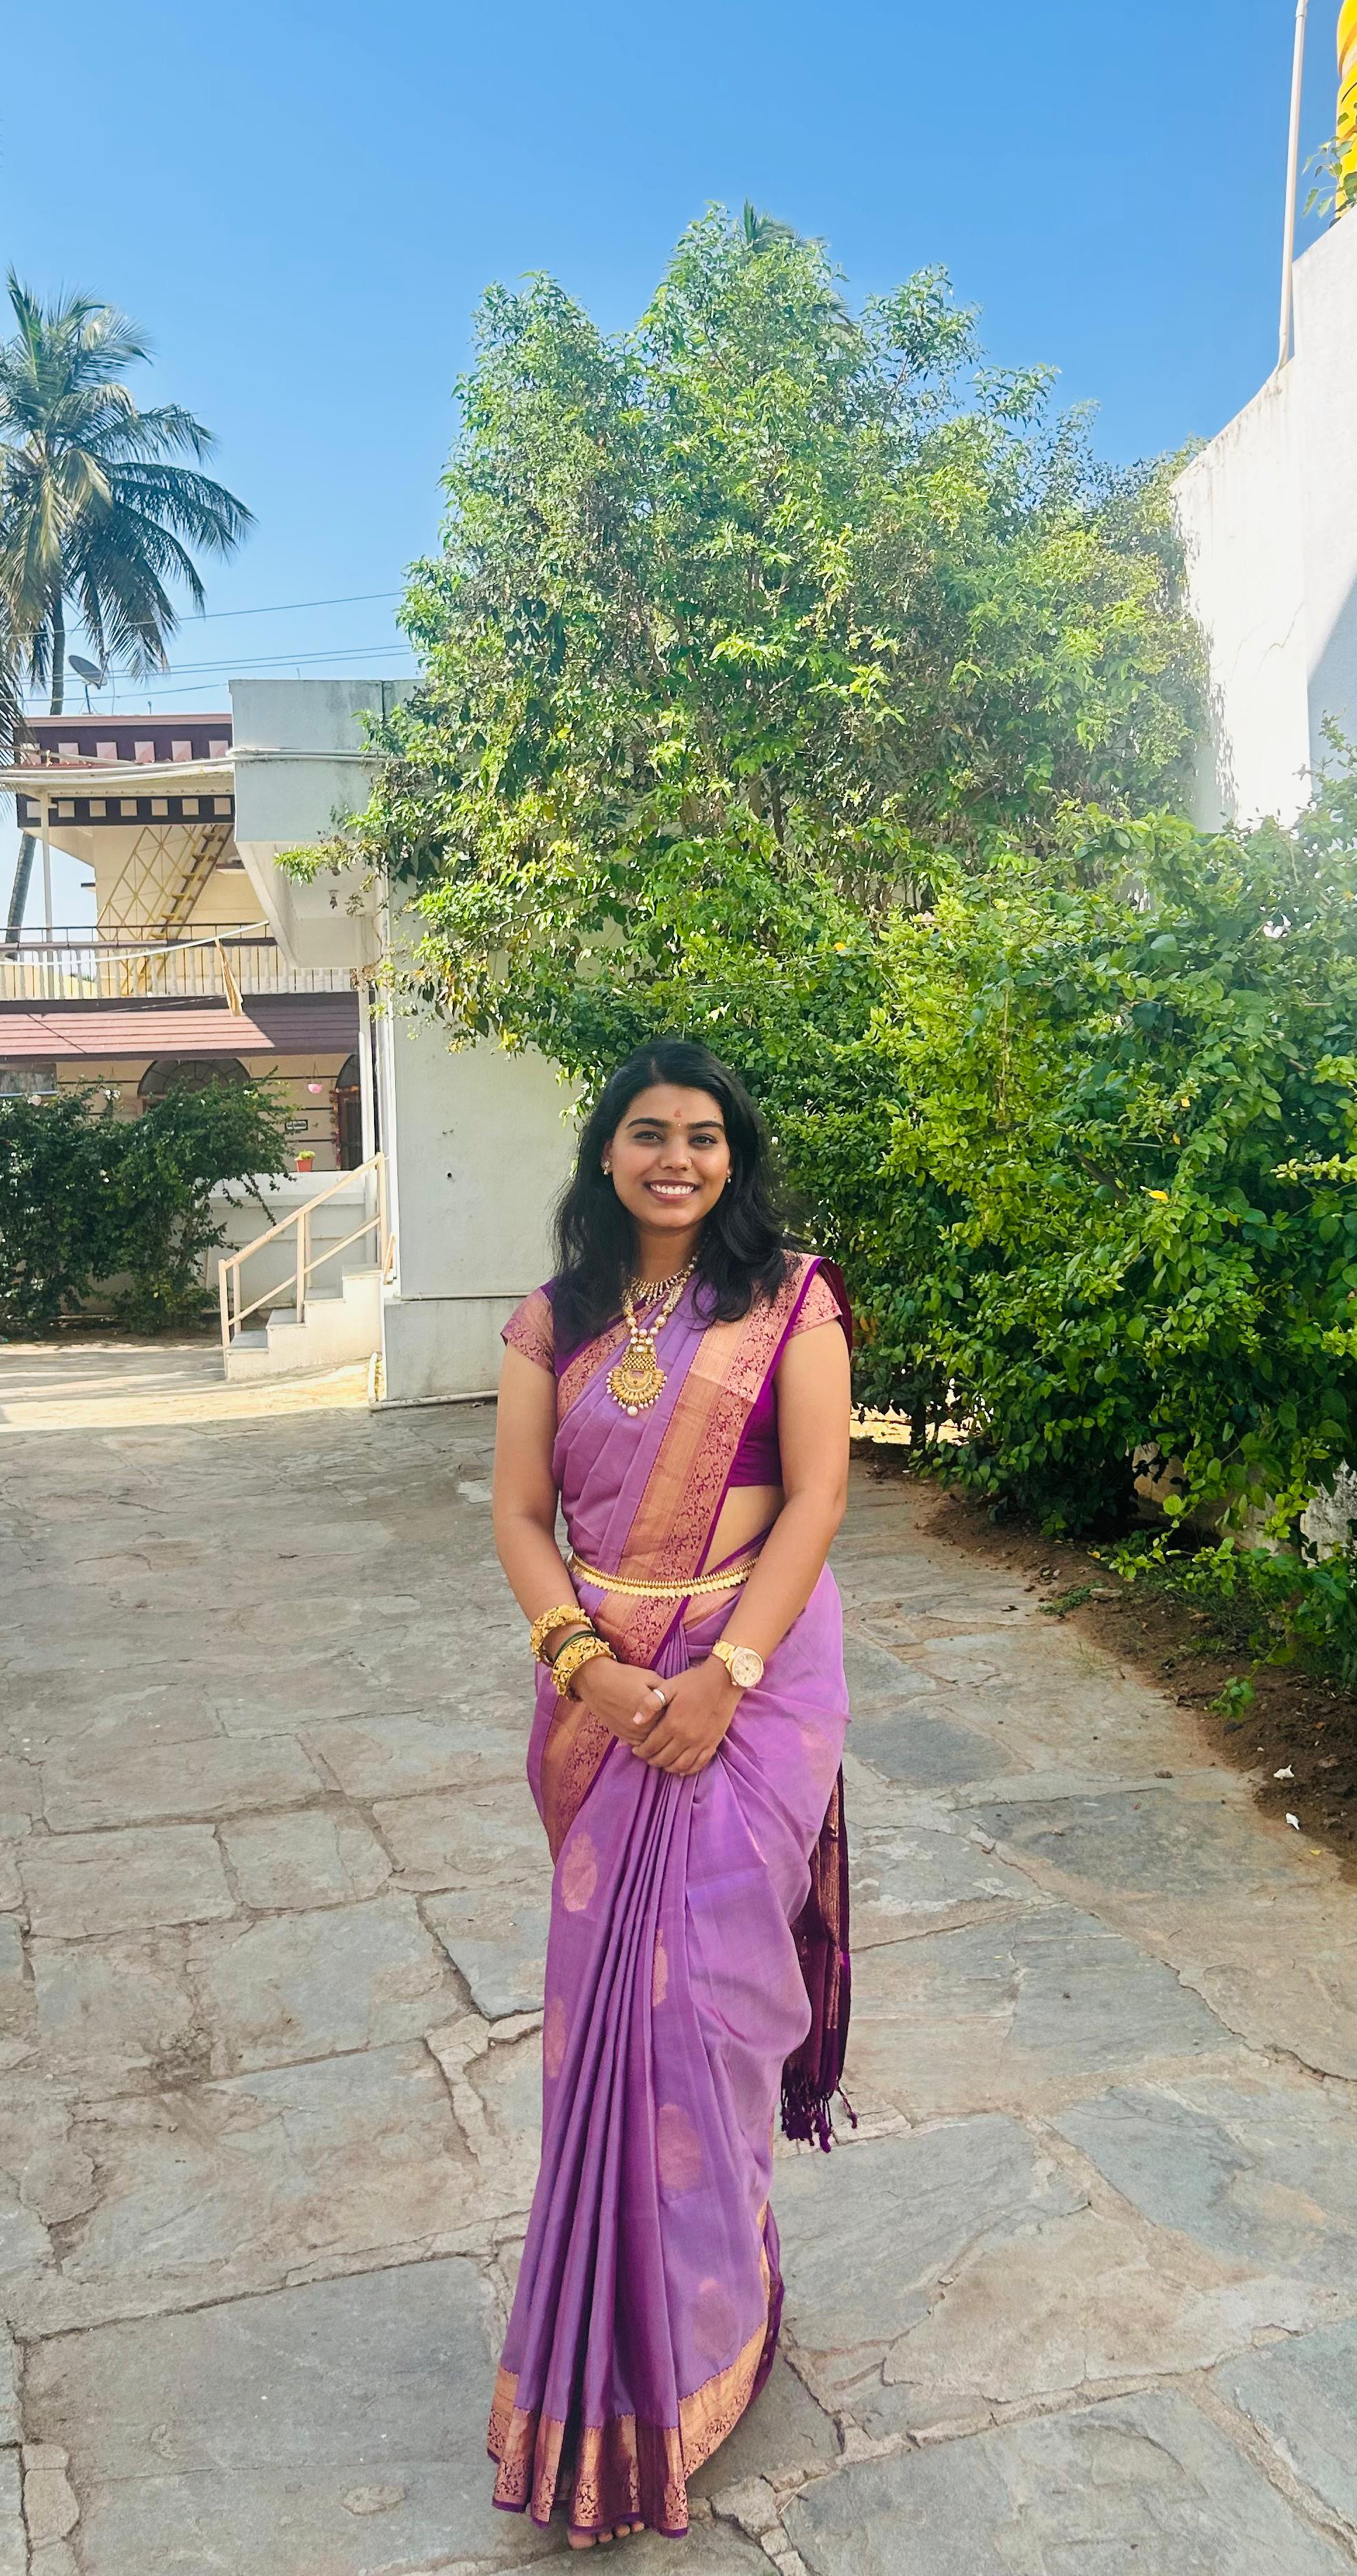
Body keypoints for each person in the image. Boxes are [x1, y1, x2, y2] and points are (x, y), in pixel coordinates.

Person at [487, 1036, 854, 2549]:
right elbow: (520, 1515)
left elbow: (818, 1496)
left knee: (699, 2011)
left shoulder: (789, 1301)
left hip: (748, 1691)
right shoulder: (551, 1319)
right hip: (604, 1695)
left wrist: (727, 1678)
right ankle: (607, 2351)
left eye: (705, 1136)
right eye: (650, 1133)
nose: (678, 1159)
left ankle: (709, 2326)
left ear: (733, 1157)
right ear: (607, 1153)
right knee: (607, 2025)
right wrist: (587, 1667)